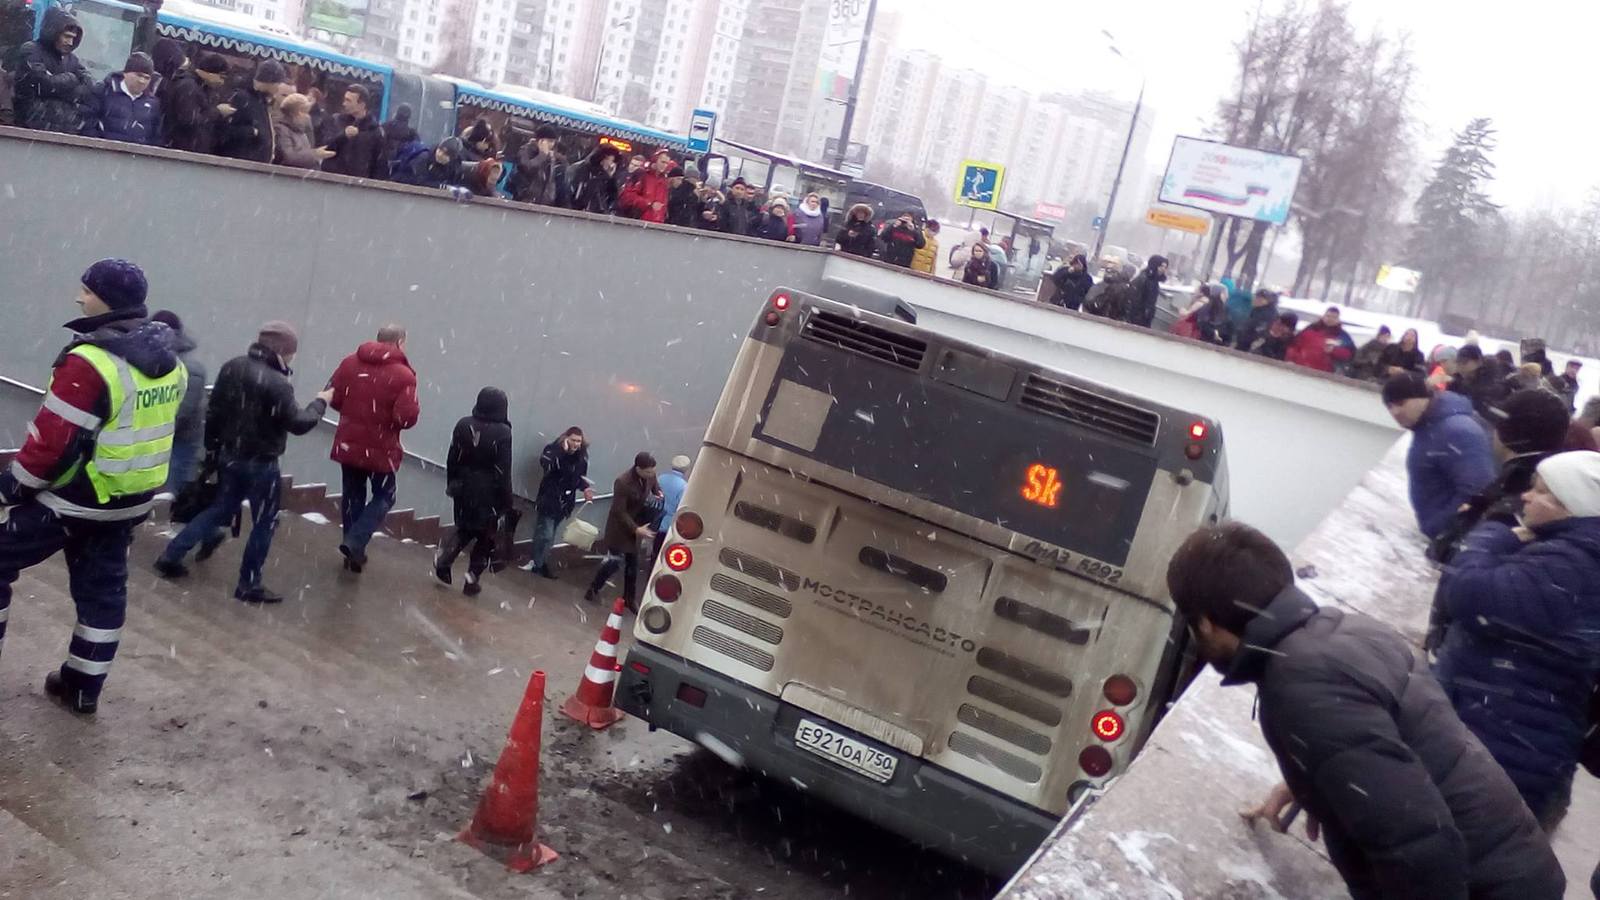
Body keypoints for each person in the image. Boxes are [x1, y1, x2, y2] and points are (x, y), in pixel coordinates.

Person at [1165, 522, 1566, 900]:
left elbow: (1419, 842)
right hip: (1512, 863)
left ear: (1206, 623)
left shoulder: (1301, 683)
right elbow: (1401, 740)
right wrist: (1316, 779)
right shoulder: (1344, 630)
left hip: (1485, 886)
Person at [0, 259, 186, 715]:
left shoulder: (90, 362)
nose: (78, 298)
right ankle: (82, 687)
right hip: (126, 502)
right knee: (103, 593)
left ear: (105, 299)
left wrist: (11, 489)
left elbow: (51, 447)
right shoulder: (171, 363)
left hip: (73, 500)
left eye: (85, 290)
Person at [1434, 451, 1600, 833]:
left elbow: (1466, 593)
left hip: (1505, 755)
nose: (1526, 496)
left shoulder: (1573, 565)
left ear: (1573, 509)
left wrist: (1494, 532)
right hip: (1511, 743)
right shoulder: (1574, 553)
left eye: (1543, 493)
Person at [155, 322, 332, 604]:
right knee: (265, 522)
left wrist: (212, 450)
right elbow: (299, 423)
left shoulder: (232, 367)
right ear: (284, 351)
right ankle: (249, 583)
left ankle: (171, 554)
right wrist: (320, 403)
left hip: (230, 456)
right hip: (261, 464)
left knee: (219, 509)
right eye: (292, 353)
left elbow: (214, 411)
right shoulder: (277, 383)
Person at [1426, 388, 1570, 568]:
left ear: (1504, 433)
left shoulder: (1517, 493)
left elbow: (1453, 558)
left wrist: (1463, 521)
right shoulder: (1554, 488)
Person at [327, 324, 420, 573]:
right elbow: (406, 418)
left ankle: (353, 553)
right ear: (400, 342)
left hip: (349, 442)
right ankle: (355, 542)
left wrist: (356, 413)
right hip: (382, 447)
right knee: (385, 495)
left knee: (353, 496)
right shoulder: (404, 376)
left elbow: (333, 398)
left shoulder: (349, 363)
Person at [1383, 371, 1497, 540]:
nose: (1395, 412)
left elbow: (1478, 491)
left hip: (1454, 541)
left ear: (1421, 397)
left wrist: (1440, 529)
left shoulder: (1455, 430)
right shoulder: (1429, 426)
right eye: (1389, 406)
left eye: (1401, 402)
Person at [434, 387, 513, 597]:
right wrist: (506, 500)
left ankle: (445, 561)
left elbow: (453, 457)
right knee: (486, 538)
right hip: (488, 491)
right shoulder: (503, 432)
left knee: (465, 528)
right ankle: (472, 579)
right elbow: (504, 469)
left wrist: (453, 482)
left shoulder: (463, 423)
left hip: (463, 486)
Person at [585, 452, 660, 609]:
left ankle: (629, 598)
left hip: (637, 523)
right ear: (638, 468)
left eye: (652, 471)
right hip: (620, 528)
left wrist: (657, 492)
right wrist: (635, 529)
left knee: (633, 563)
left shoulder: (650, 475)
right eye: (647, 472)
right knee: (614, 562)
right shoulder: (623, 482)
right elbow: (619, 511)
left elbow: (654, 484)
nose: (651, 474)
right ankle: (594, 587)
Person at [521, 427, 594, 579]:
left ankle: (539, 562)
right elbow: (547, 465)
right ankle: (539, 563)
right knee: (546, 533)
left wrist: (585, 488)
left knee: (550, 534)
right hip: (549, 498)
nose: (576, 444)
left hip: (565, 501)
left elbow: (579, 478)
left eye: (578, 441)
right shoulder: (553, 450)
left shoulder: (581, 458)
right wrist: (561, 451)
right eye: (573, 440)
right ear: (566, 438)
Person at [150, 310, 207, 496]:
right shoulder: (152, 363)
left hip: (178, 441)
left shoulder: (189, 370)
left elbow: (182, 412)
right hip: (163, 440)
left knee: (165, 493)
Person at [14, 8, 90, 135]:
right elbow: (43, 84)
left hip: (63, 128)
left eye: (73, 38)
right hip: (31, 128)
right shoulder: (31, 50)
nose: (70, 42)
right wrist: (71, 80)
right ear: (54, 32)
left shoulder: (71, 59)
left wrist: (59, 85)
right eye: (66, 36)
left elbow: (88, 86)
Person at [80, 52, 161, 146]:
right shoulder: (104, 91)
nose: (142, 81)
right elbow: (88, 123)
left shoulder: (153, 104)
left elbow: (155, 137)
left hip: (136, 158)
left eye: (147, 78)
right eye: (138, 75)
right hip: (102, 154)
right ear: (126, 73)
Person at [215, 60, 287, 164]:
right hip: (241, 165)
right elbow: (224, 131)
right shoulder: (242, 98)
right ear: (269, 81)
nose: (279, 87)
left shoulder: (261, 100)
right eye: (278, 83)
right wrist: (252, 132)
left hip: (254, 165)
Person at [319, 84, 385, 179]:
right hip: (331, 179)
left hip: (358, 184)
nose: (344, 103)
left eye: (348, 101)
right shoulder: (335, 120)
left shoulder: (375, 130)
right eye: (345, 99)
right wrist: (343, 136)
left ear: (362, 105)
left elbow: (378, 164)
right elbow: (325, 146)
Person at [1285, 306, 1356, 374]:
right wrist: (1290, 360)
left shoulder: (1342, 336)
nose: (1330, 319)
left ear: (1338, 320)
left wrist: (1334, 351)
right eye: (1328, 316)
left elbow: (1349, 354)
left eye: (1334, 317)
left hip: (1323, 375)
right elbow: (1293, 346)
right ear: (1323, 316)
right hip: (1300, 369)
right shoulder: (1310, 329)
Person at [510, 124, 568, 206]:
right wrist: (542, 155)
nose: (552, 145)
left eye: (553, 142)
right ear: (541, 141)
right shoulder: (526, 151)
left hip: (542, 202)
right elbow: (526, 168)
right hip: (524, 200)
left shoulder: (550, 157)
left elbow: (549, 181)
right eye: (550, 141)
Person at [271, 92, 332, 169]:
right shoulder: (280, 129)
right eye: (307, 112)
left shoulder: (302, 131)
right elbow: (288, 157)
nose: (308, 117)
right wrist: (315, 154)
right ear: (299, 112)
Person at [1449, 344, 1511, 419]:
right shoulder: (1459, 380)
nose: (1460, 367)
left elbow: (1488, 406)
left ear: (1478, 361)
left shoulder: (1493, 380)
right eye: (1458, 363)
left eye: (1464, 362)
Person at [650, 454, 691, 563]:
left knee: (654, 552)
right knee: (663, 555)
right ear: (686, 469)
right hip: (668, 525)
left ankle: (650, 569)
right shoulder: (684, 486)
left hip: (655, 520)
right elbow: (681, 507)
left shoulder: (661, 478)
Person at [618, 149, 672, 223]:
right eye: (662, 162)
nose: (664, 165)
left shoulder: (664, 181)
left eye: (667, 163)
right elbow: (627, 196)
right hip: (638, 222)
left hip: (656, 224)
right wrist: (648, 203)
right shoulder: (642, 175)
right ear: (655, 160)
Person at [567, 144, 621, 214]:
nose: (611, 164)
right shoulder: (583, 170)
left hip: (592, 216)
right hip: (580, 214)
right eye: (610, 160)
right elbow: (579, 196)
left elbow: (611, 199)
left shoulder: (606, 177)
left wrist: (610, 178)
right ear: (603, 159)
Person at [396, 136, 466, 190]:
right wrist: (441, 186)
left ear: (452, 158)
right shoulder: (423, 158)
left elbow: (455, 182)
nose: (440, 154)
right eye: (440, 150)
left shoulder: (455, 167)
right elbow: (418, 181)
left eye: (445, 154)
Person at [1125, 255, 1169, 327]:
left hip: (1145, 318)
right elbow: (1134, 300)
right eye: (1161, 266)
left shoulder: (1154, 281)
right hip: (1137, 320)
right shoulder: (1144, 279)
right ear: (1154, 265)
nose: (1163, 269)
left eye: (1165, 267)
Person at [1232, 288, 1280, 353]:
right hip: (1245, 343)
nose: (1254, 300)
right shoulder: (1257, 310)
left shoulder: (1267, 314)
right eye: (1255, 297)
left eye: (1258, 298)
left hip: (1252, 347)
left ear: (1265, 300)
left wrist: (1244, 339)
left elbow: (1260, 331)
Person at [381, 102, 418, 169]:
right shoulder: (411, 132)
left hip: (383, 162)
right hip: (401, 164)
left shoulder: (386, 126)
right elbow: (417, 149)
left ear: (396, 113)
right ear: (409, 116)